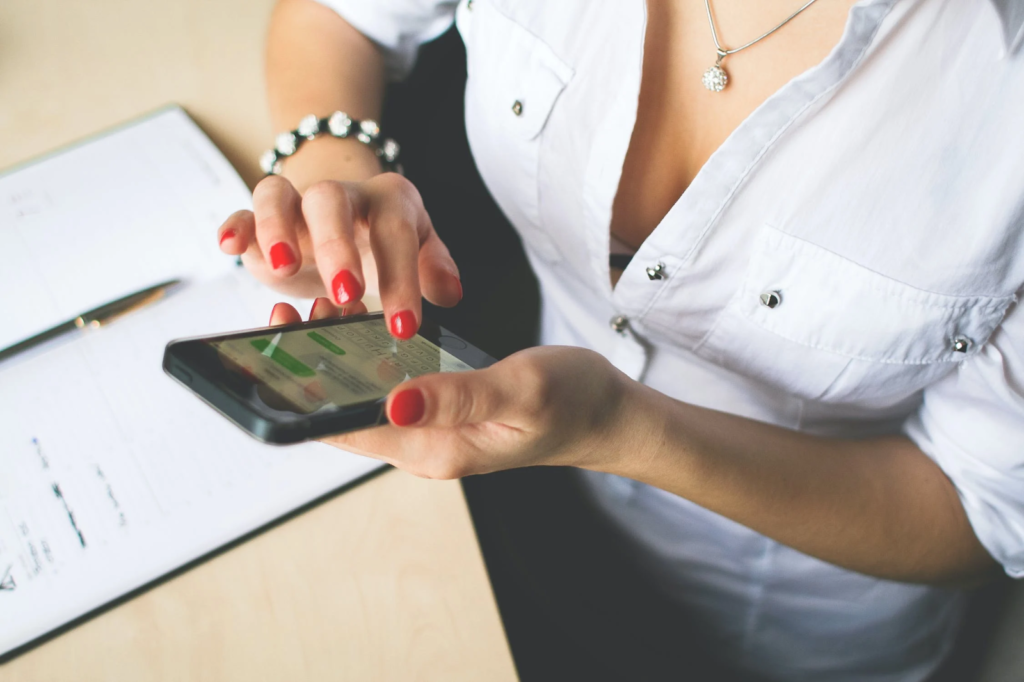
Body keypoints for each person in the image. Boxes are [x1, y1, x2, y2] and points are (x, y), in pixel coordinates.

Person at [215, 0, 1024, 679]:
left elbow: (976, 511)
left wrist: (619, 429)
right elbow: (339, 16)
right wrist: (336, 174)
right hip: (512, 528)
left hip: (792, 639)